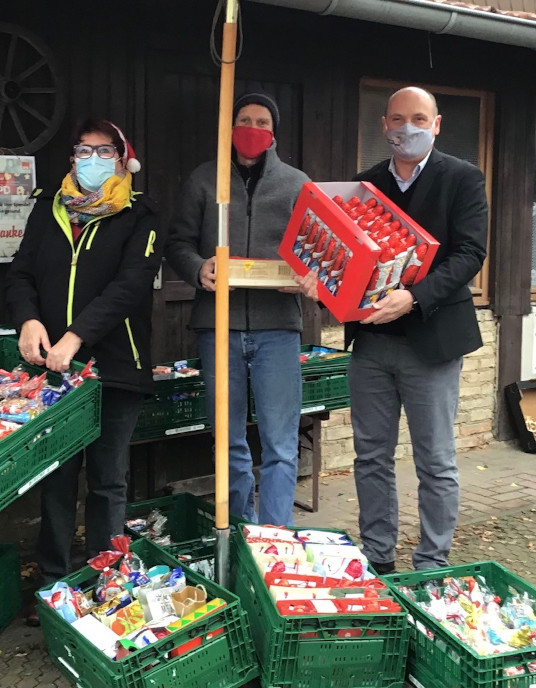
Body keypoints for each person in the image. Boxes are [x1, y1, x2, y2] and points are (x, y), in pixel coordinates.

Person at [297, 86, 488, 572]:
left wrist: (415, 296)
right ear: (384, 124)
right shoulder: (365, 185)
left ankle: (431, 565)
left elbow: (470, 254)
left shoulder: (463, 178)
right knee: (370, 457)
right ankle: (378, 559)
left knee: (436, 462)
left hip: (432, 343)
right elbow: (351, 256)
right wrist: (325, 284)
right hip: (372, 345)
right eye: (399, 119)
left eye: (419, 119)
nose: (409, 128)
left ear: (437, 123)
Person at [5, 119, 162, 623]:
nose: (93, 159)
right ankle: (51, 582)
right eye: (84, 150)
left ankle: (106, 583)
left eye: (105, 151)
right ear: (72, 159)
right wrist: (28, 319)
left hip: (116, 366)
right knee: (56, 477)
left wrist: (78, 336)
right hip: (53, 369)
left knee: (107, 480)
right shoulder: (49, 208)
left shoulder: (141, 214)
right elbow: (21, 272)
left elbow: (130, 286)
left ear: (123, 159)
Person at [165, 92, 310, 527]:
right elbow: (178, 243)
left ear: (274, 132)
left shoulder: (297, 184)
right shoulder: (205, 180)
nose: (252, 128)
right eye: (244, 119)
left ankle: (275, 536)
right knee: (228, 441)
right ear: (230, 129)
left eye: (262, 121)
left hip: (278, 329)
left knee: (281, 443)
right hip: (219, 327)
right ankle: (241, 529)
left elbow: (315, 248)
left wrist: (305, 276)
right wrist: (197, 267)